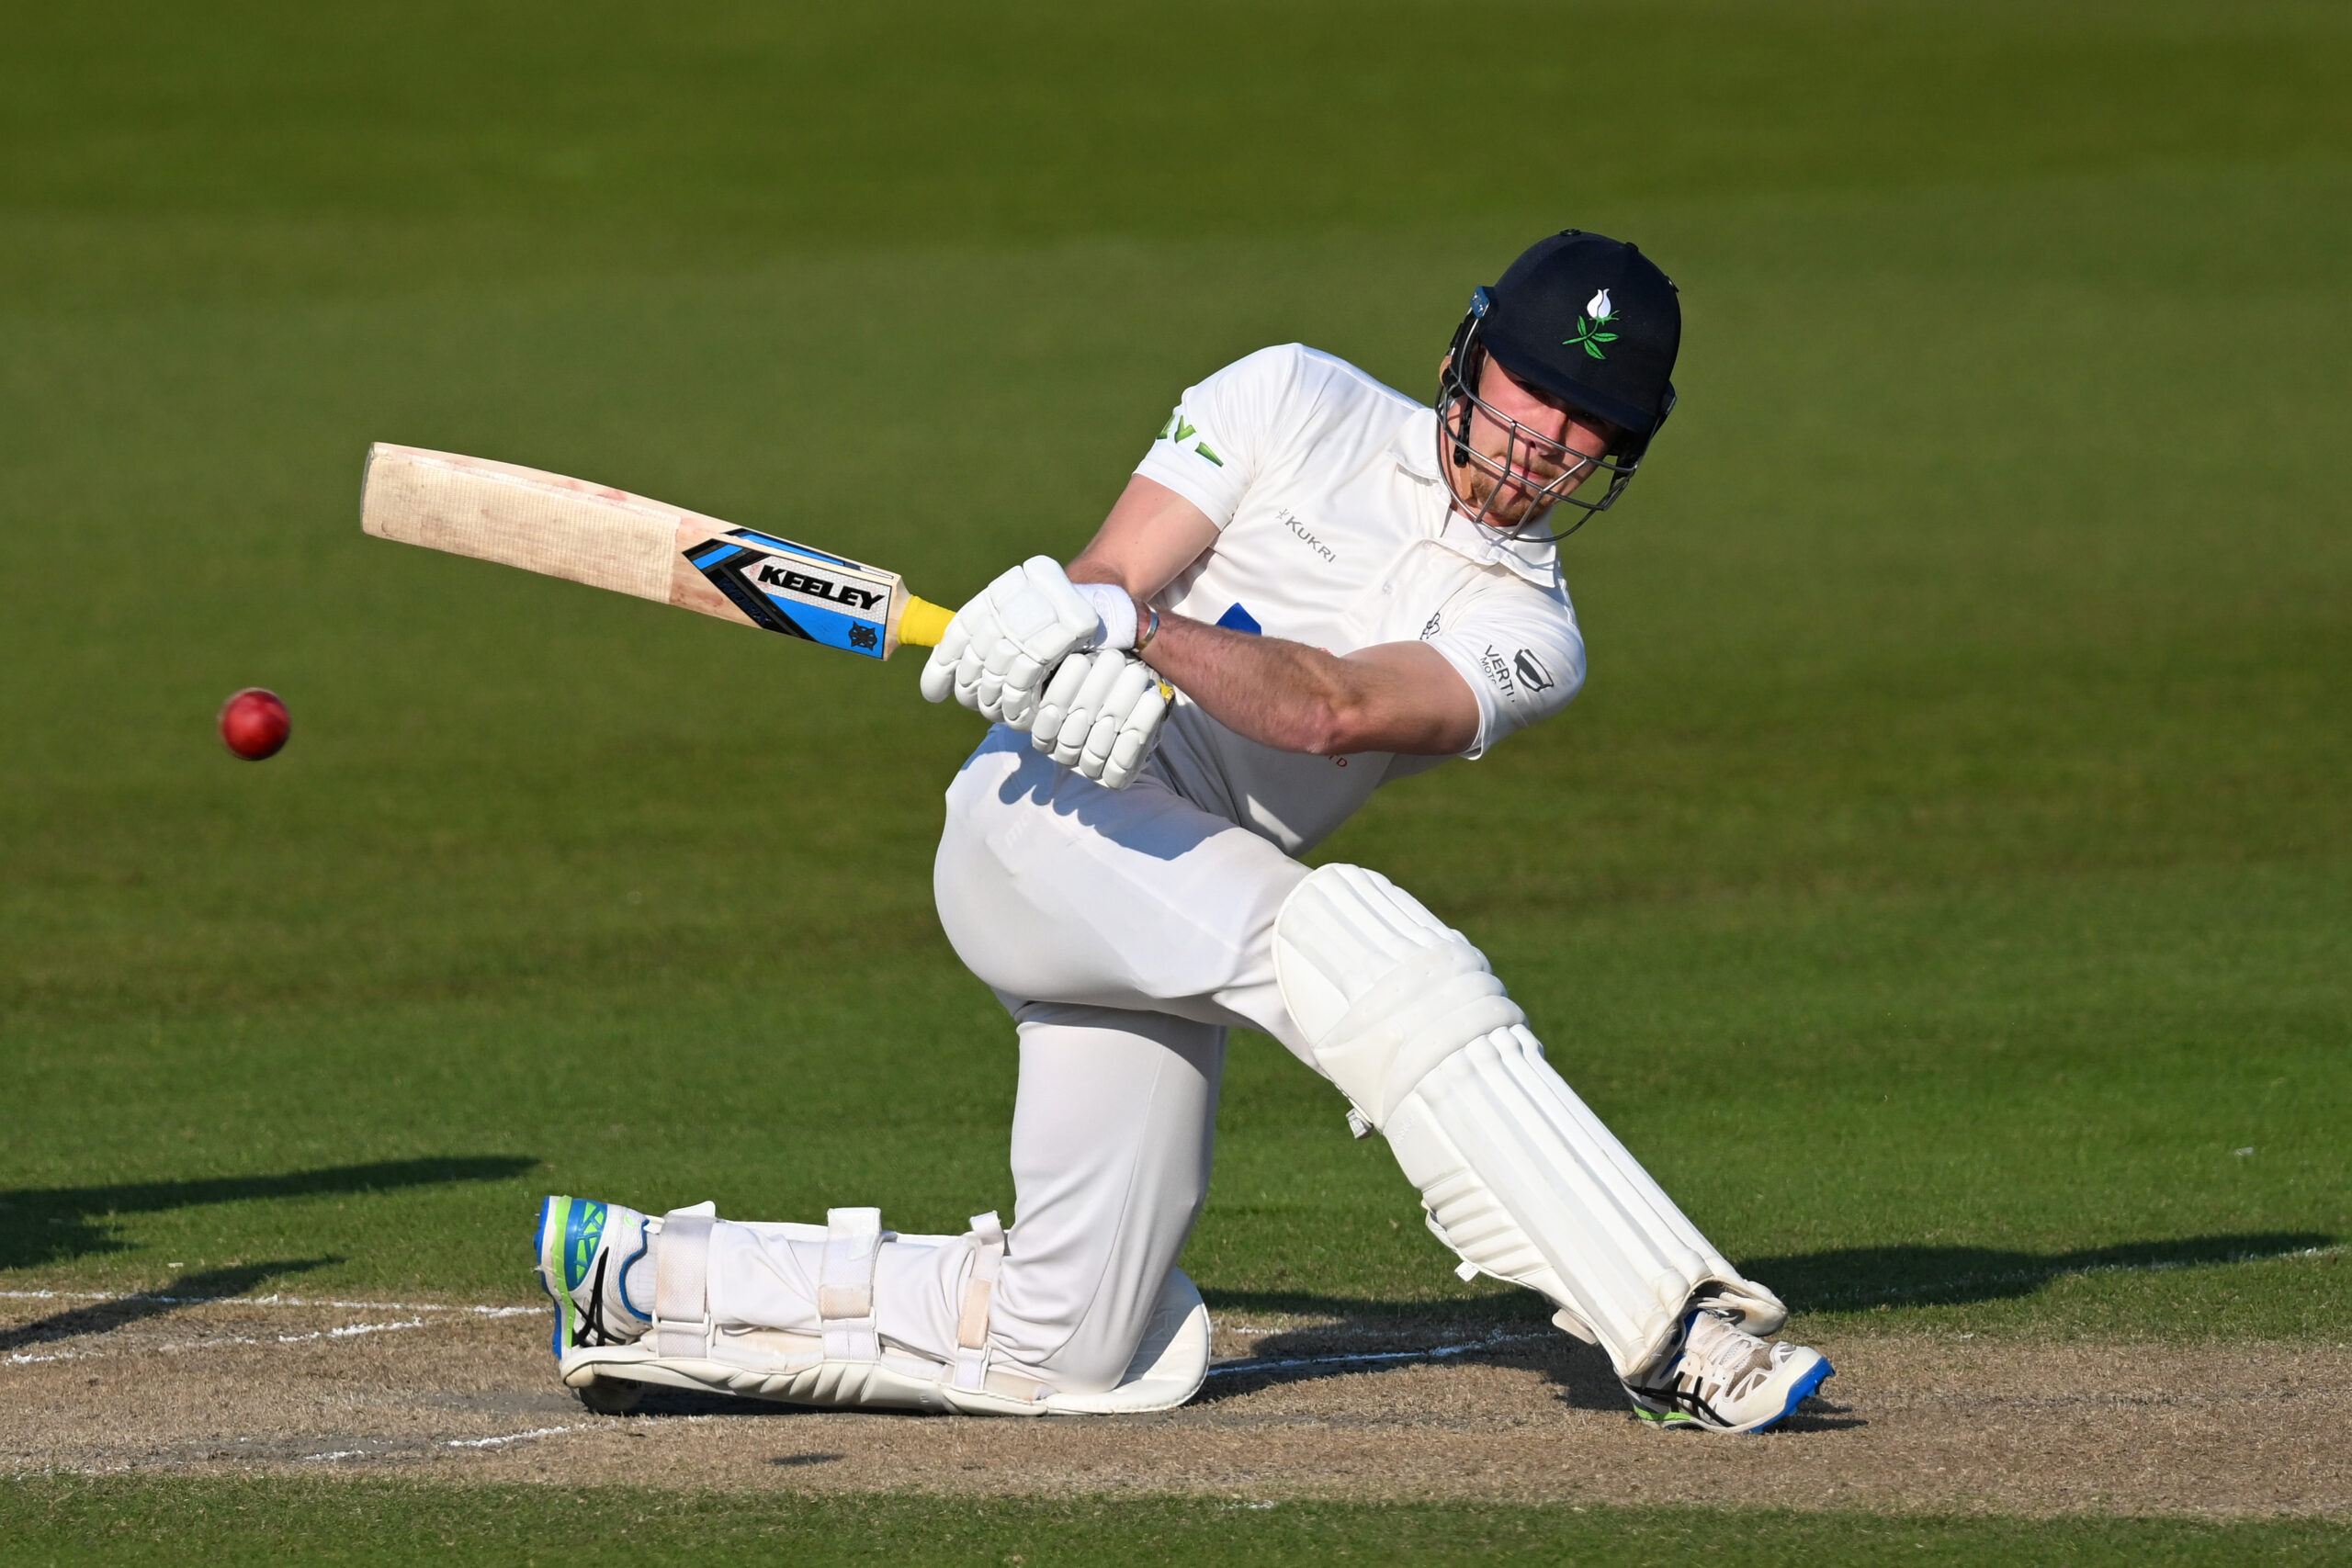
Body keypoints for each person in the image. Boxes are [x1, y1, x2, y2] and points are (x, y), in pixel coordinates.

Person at [533, 231, 1833, 1433]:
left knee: (1084, 1348)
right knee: (1364, 947)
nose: (1544, 439)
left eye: (1589, 421)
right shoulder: (1291, 396)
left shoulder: (1533, 634)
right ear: (1467, 353)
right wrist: (1056, 634)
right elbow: (1105, 578)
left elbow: (1337, 710)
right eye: (1529, 388)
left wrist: (1138, 638)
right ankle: (1679, 1330)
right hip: (1042, 828)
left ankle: (641, 1281)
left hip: (1177, 911)